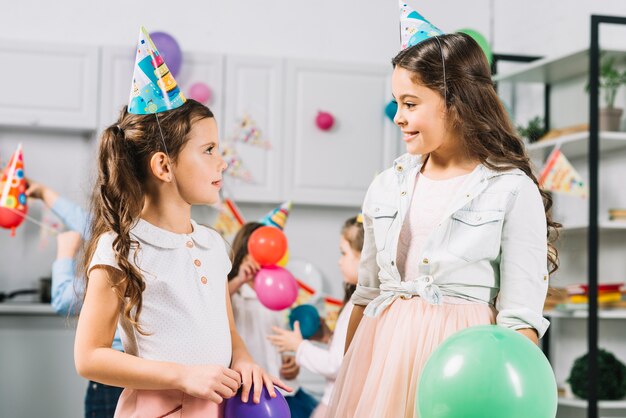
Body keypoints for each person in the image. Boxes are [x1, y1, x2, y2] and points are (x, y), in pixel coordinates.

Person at [325, 14, 559, 418]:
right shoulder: (385, 186)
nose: (398, 116)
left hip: (464, 369)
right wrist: (349, 385)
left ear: (456, 103)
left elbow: (520, 320)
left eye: (410, 104)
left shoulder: (511, 189)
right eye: (397, 103)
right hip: (383, 361)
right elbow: (366, 296)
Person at [74, 27, 289, 418]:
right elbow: (89, 357)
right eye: (208, 150)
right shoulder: (121, 248)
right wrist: (181, 376)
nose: (222, 162)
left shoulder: (211, 244)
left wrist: (242, 359)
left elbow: (227, 331)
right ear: (163, 165)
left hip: (215, 407)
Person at [26, 182, 124, 417]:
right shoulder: (134, 234)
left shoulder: (114, 258)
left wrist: (65, 255)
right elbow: (84, 221)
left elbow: (63, 300)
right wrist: (43, 192)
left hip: (113, 378)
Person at [268, 216, 363, 418]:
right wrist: (328, 338)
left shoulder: (358, 305)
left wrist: (298, 346)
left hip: (337, 404)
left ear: (364, 258)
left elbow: (335, 364)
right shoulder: (359, 302)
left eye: (344, 253)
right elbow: (353, 351)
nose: (339, 261)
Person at [228, 222, 319, 418]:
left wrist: (292, 361)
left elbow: (283, 336)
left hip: (286, 390)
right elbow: (216, 303)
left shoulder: (278, 294)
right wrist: (238, 280)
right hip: (251, 393)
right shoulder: (234, 294)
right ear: (244, 253)